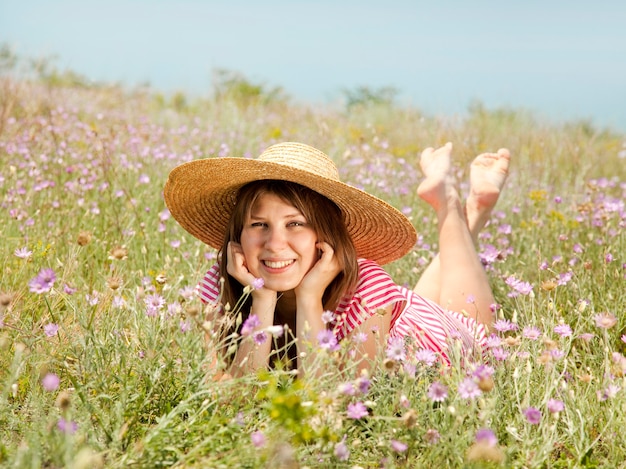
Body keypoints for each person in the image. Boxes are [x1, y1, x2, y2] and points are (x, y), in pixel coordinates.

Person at [164, 141, 510, 376]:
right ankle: (474, 210)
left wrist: (310, 298)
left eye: (295, 224)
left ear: (323, 237)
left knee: (476, 327)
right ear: (238, 236)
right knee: (416, 300)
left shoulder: (367, 284)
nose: (275, 243)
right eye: (259, 225)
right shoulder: (223, 281)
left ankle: (451, 202)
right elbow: (230, 400)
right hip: (402, 311)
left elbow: (328, 400)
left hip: (436, 340)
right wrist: (261, 300)